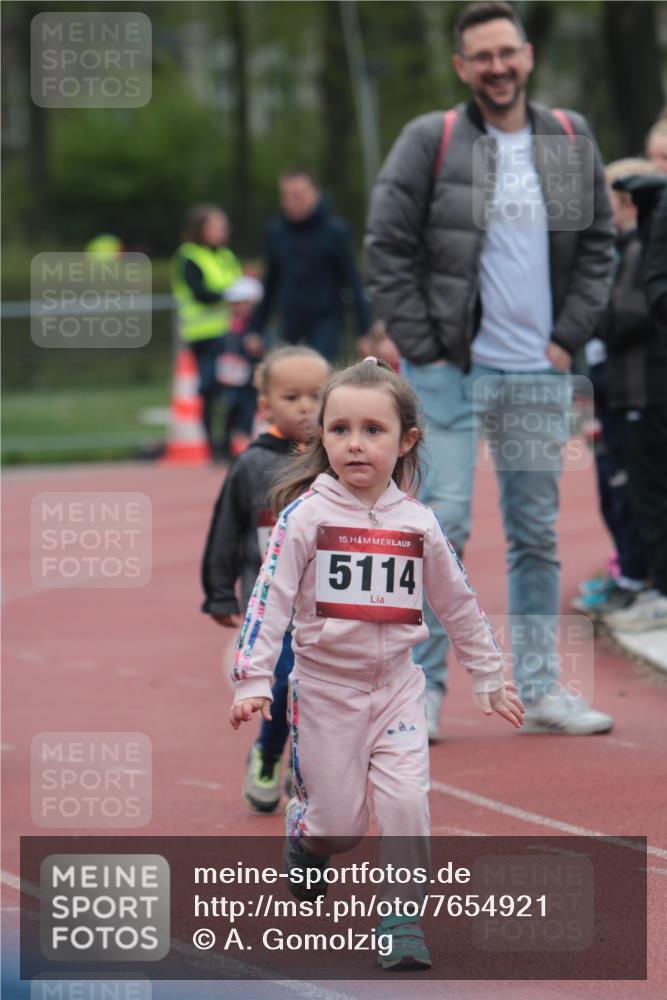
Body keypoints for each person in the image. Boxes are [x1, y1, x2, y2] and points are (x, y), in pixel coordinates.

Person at [364, 0, 615, 737]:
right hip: (449, 374)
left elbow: (597, 245)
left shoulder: (566, 140)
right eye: (482, 56)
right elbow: (385, 248)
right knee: (440, 527)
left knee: (535, 532)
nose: (497, 67)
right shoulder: (431, 140)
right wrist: (428, 349)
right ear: (461, 67)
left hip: (538, 374)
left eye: (507, 52)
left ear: (527, 56)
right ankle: (425, 693)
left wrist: (566, 339)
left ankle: (539, 690)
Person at [228, 358, 524, 970]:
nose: (355, 444)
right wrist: (254, 679)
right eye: (340, 430)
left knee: (407, 801)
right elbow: (269, 600)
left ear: (405, 439)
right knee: (342, 827)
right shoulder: (304, 517)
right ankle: (307, 839)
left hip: (396, 691)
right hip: (325, 693)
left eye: (372, 430)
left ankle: (401, 920)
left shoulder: (417, 522)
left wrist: (488, 674)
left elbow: (457, 600)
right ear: (320, 439)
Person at [202, 346, 330, 811]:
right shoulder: (251, 466)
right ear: (265, 406)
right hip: (272, 610)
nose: (305, 407)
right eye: (291, 396)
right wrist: (218, 593)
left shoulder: (339, 459)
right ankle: (268, 753)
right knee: (282, 685)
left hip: (326, 606)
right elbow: (226, 530)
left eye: (317, 396)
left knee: (324, 693)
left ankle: (307, 765)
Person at [573, 159, 656, 618]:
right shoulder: (612, 250)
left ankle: (640, 576)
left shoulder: (641, 250)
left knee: (632, 489)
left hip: (632, 390)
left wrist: (589, 316)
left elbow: (626, 317)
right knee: (612, 486)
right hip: (606, 389)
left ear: (623, 202)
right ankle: (627, 571)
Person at [605, 166, 667, 631]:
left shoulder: (645, 244)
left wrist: (592, 320)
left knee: (649, 493)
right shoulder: (630, 245)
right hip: (630, 386)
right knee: (638, 492)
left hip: (648, 388)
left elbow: (635, 311)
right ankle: (647, 583)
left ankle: (657, 588)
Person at [249, 168, 372, 362]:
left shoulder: (334, 231)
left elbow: (352, 281)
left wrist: (364, 331)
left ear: (316, 194)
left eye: (298, 196)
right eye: (286, 196)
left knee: (317, 374)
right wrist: (255, 329)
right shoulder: (276, 232)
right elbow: (270, 283)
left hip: (326, 319)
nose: (291, 202)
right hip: (290, 319)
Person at [171, 205, 243, 456]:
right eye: (216, 225)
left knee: (234, 384)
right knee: (210, 387)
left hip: (230, 332)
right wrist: (229, 297)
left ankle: (228, 440)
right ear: (201, 229)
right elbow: (199, 292)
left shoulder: (226, 255)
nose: (222, 230)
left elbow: (238, 284)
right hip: (202, 335)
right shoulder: (189, 256)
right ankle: (214, 446)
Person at [217, 275, 265, 459]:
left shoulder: (259, 327)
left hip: (252, 382)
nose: (235, 308)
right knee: (231, 411)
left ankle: (248, 447)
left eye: (241, 303)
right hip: (233, 380)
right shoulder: (231, 326)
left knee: (250, 413)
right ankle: (225, 445)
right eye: (233, 303)